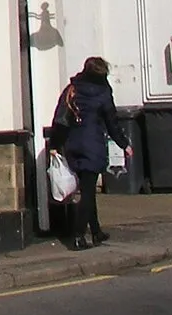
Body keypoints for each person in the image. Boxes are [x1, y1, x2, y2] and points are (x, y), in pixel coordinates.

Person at [51, 56, 128, 250]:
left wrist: (54, 144)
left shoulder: (72, 89)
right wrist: (124, 144)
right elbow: (112, 122)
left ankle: (96, 231)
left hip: (72, 145)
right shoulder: (103, 93)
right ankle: (78, 236)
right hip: (92, 146)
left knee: (87, 191)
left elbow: (60, 118)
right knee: (87, 194)